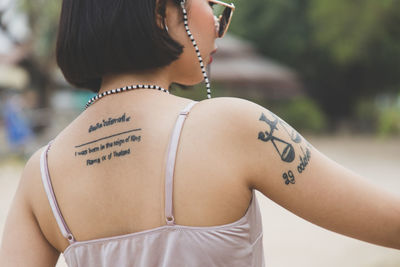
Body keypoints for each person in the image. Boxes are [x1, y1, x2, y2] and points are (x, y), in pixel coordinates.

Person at [0, 0, 399, 266]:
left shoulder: (42, 174)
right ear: (161, 12)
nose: (219, 27)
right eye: (212, 5)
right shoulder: (229, 128)